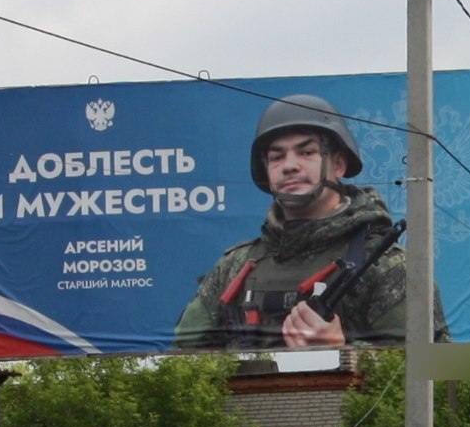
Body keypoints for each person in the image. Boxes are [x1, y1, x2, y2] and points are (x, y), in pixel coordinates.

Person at [172, 94, 432, 351]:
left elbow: (435, 369)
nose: (289, 166)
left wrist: (342, 350)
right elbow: (180, 362)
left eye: (306, 152)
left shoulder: (386, 266)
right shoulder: (234, 268)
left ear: (338, 164)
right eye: (276, 157)